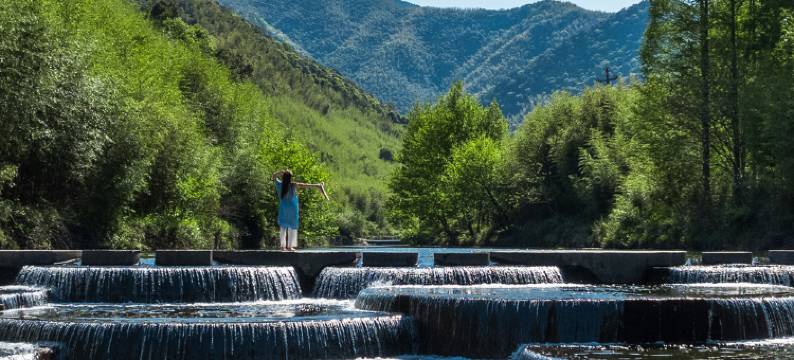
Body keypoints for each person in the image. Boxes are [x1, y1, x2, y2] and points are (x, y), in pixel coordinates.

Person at [271, 169, 329, 251]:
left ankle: (283, 246)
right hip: (292, 208)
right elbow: (305, 185)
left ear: (283, 177)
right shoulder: (292, 185)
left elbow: (273, 176)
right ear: (290, 178)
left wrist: (280, 172)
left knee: (284, 227)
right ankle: (289, 246)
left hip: (284, 208)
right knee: (292, 227)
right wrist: (317, 185)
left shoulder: (279, 184)